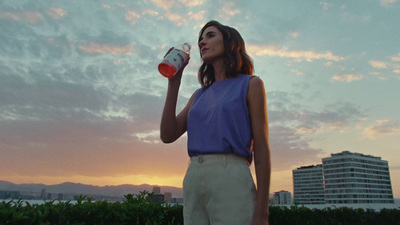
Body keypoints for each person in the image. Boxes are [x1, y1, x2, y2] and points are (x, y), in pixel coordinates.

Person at [160, 20, 271, 225]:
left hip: (231, 176)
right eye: (200, 39)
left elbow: (262, 148)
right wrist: (173, 83)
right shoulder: (199, 95)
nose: (202, 42)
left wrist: (262, 212)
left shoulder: (251, 84)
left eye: (210, 35)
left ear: (230, 43)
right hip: (194, 178)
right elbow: (167, 135)